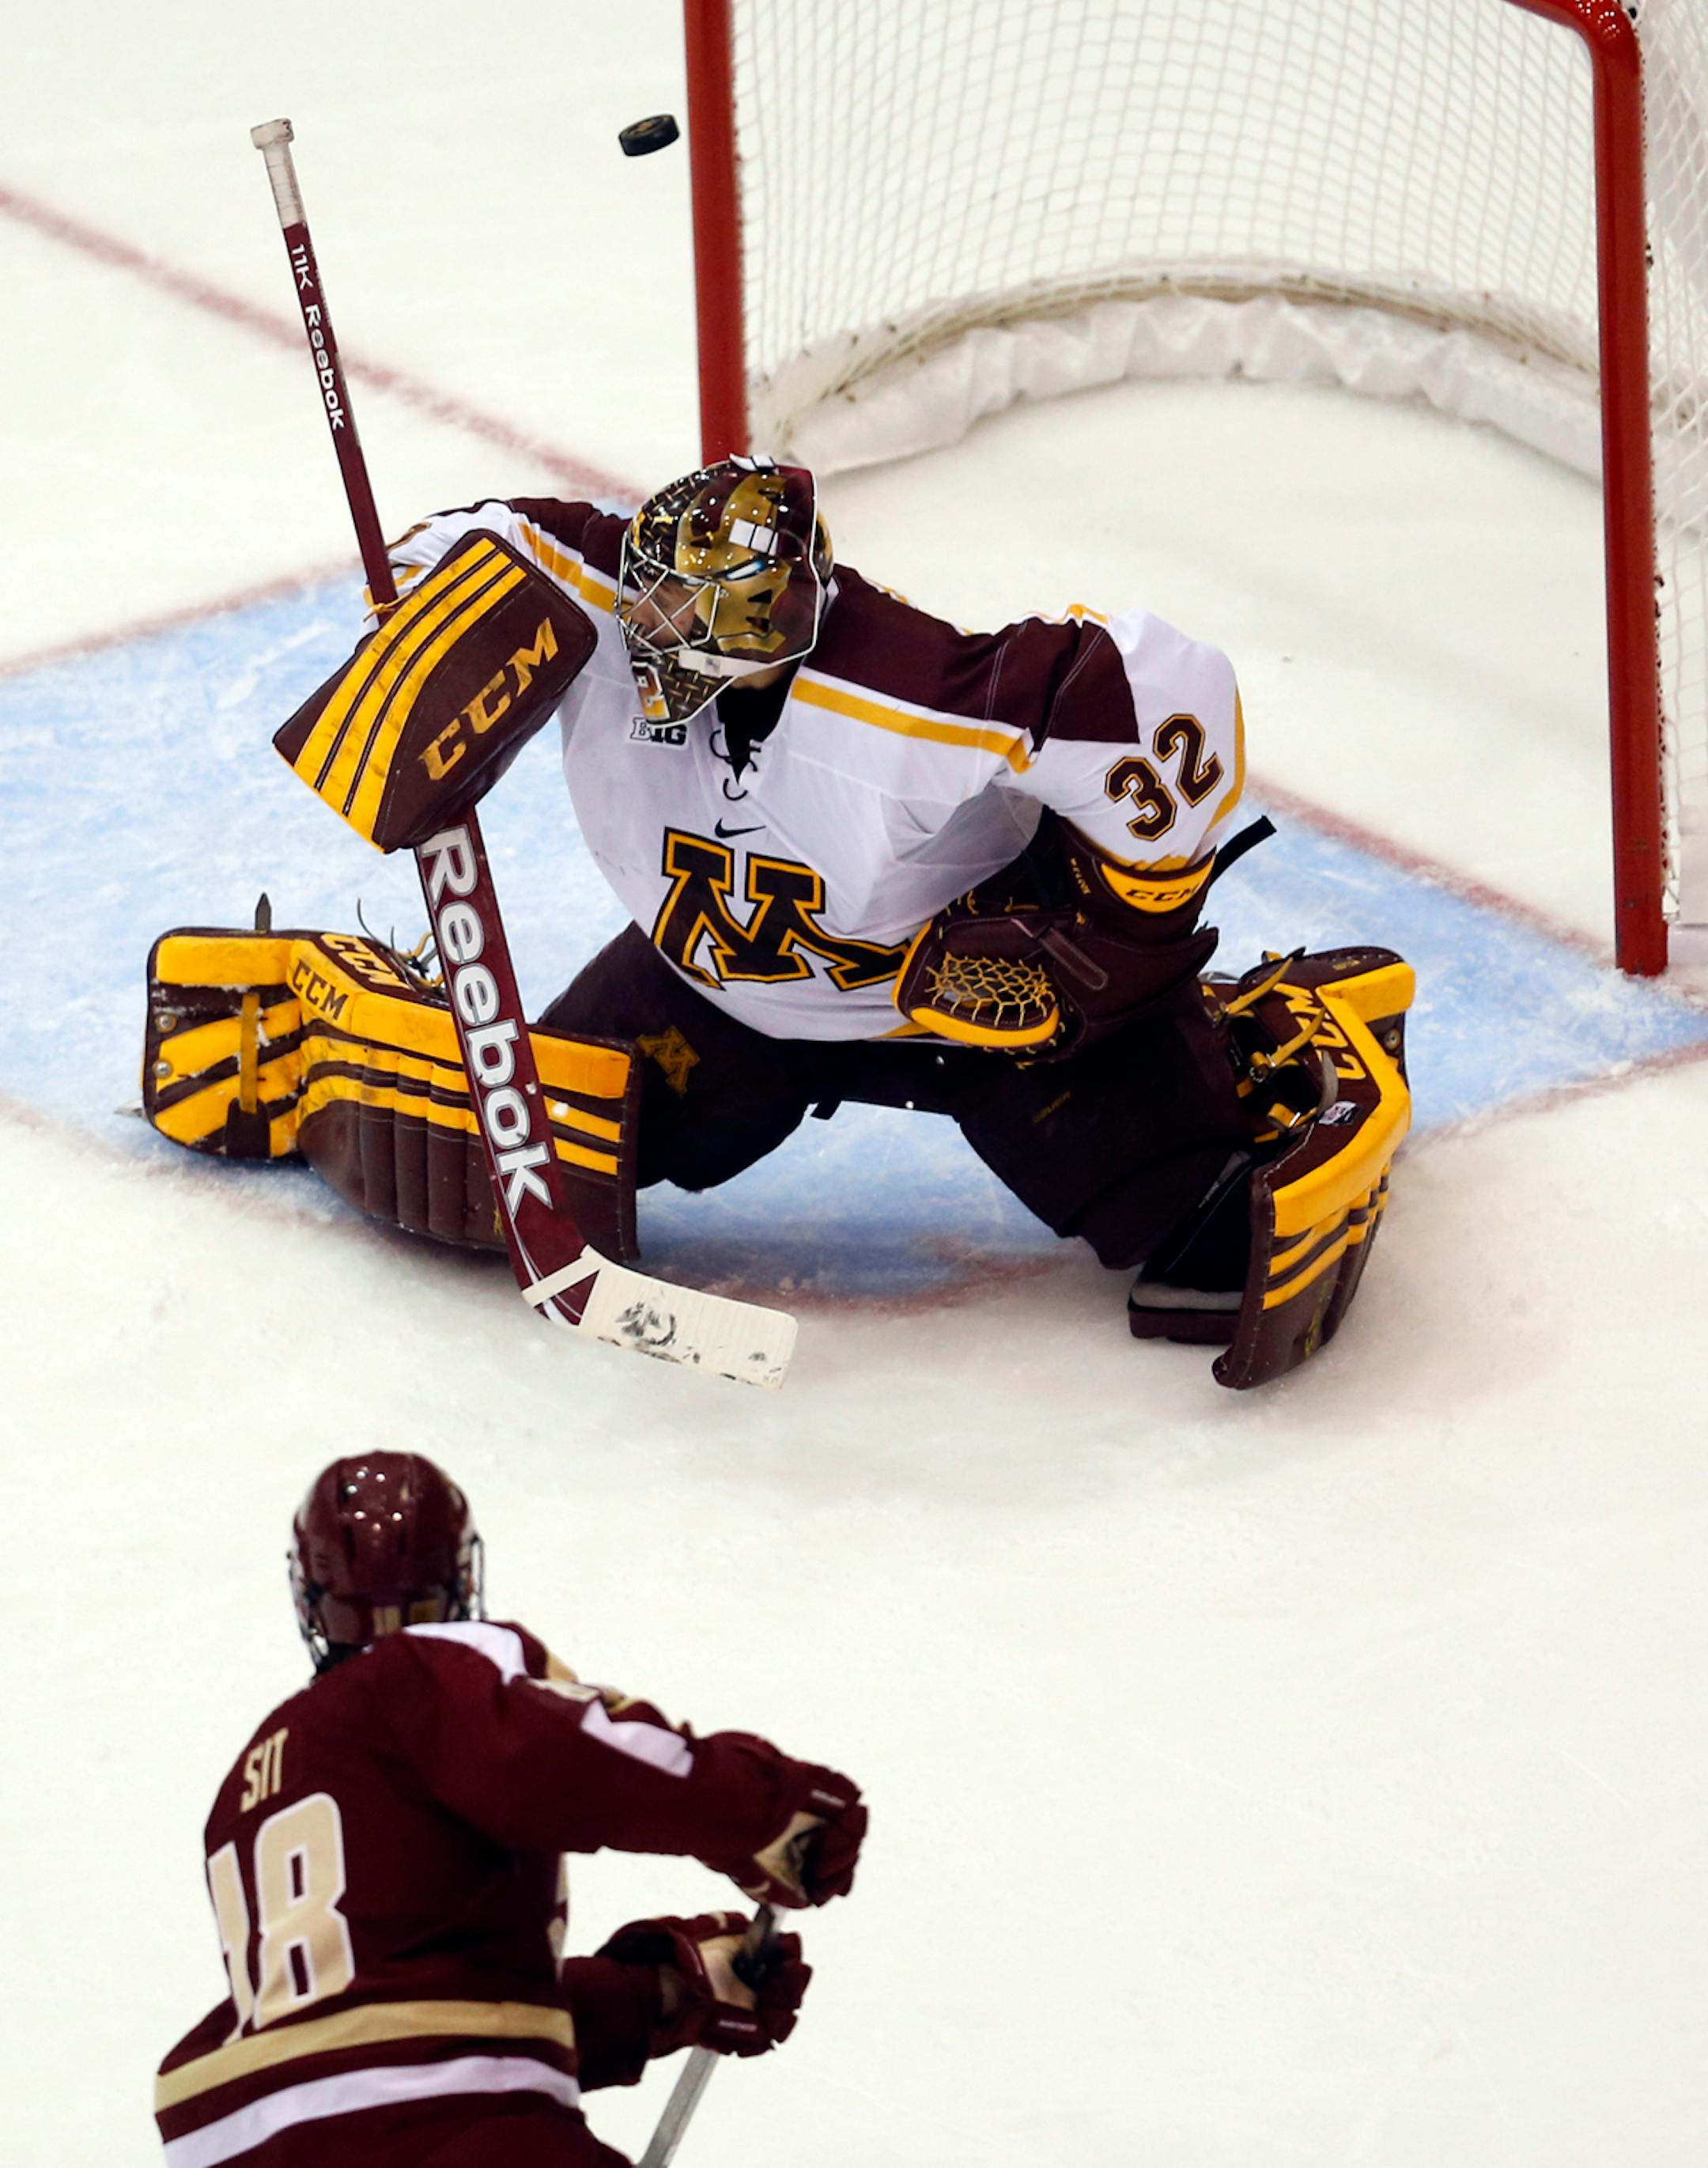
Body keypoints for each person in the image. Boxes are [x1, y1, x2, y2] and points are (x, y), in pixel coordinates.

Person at [143, 457, 1411, 1384]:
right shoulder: (610, 603)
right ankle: (354, 1007)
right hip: (717, 1004)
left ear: (766, 619)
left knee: (1200, 1247)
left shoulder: (904, 699)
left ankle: (1253, 1031)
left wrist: (1112, 941)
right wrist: (439, 610)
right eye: (649, 596)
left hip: (976, 1017)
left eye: (687, 614)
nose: (649, 627)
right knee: (519, 1166)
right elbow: (493, 538)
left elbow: (1159, 697)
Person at [154, 1452, 864, 2167]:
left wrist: (655, 1992)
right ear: (463, 1574)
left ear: (310, 1595)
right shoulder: (423, 1676)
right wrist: (764, 1812)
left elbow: (376, 2035)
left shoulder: (249, 1780)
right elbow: (560, 1756)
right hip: (451, 2136)